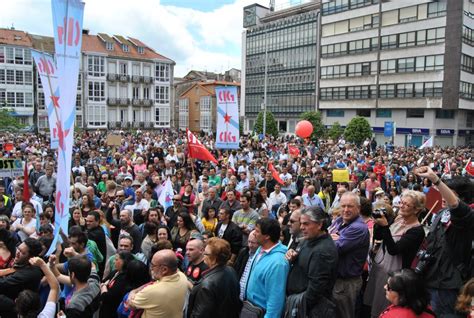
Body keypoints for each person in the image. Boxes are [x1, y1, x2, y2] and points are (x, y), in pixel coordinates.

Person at [414, 166, 474, 317]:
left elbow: (456, 205)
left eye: (447, 193)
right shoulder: (441, 213)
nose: (442, 196)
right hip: (431, 279)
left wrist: (436, 179)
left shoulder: (467, 216)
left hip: (450, 285)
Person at [364, 190, 426, 317]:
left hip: (394, 273)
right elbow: (381, 237)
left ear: (416, 210)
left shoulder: (417, 230)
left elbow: (394, 250)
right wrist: (379, 224)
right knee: (372, 302)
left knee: (382, 305)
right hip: (380, 267)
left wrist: (386, 227)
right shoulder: (397, 219)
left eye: (406, 205)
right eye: (401, 202)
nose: (401, 206)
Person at [285, 207, 338, 317]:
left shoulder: (323, 251)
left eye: (306, 224)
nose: (302, 228)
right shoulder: (309, 239)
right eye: (301, 223)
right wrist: (294, 256)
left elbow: (316, 289)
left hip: (308, 310)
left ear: (319, 225)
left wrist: (299, 307)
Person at [328, 192, 370, 318]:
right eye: (343, 206)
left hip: (345, 284)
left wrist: (328, 238)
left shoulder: (358, 228)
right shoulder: (340, 220)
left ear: (358, 208)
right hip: (335, 280)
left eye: (350, 206)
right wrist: (330, 237)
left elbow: (333, 248)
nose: (346, 210)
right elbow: (325, 236)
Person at [187, 237, 242, 318]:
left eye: (205, 254)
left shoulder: (207, 285)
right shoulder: (231, 271)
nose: (203, 256)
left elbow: (200, 315)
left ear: (214, 258)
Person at [246, 218, 290, 318]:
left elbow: (276, 301)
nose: (253, 234)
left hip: (262, 313)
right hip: (250, 310)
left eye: (257, 231)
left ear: (267, 236)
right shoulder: (260, 249)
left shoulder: (278, 263)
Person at [128, 249, 188, 318]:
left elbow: (130, 305)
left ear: (164, 269)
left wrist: (132, 292)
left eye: (153, 265)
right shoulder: (182, 277)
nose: (151, 268)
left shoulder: (152, 291)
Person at [0, 238, 44, 318]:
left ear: (31, 257)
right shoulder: (21, 263)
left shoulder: (30, 273)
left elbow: (3, 283)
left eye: (22, 253)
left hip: (17, 309)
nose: (17, 253)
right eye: (18, 249)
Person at [100, 251, 135, 318]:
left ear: (124, 261)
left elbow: (106, 297)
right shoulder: (115, 272)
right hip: (104, 310)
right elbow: (102, 281)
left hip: (113, 312)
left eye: (116, 260)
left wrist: (104, 286)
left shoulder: (125, 278)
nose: (114, 262)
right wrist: (104, 286)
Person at [233, 230, 258, 300]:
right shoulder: (243, 252)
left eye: (253, 243)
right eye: (249, 241)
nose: (250, 245)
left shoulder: (261, 257)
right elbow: (236, 270)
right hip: (238, 293)